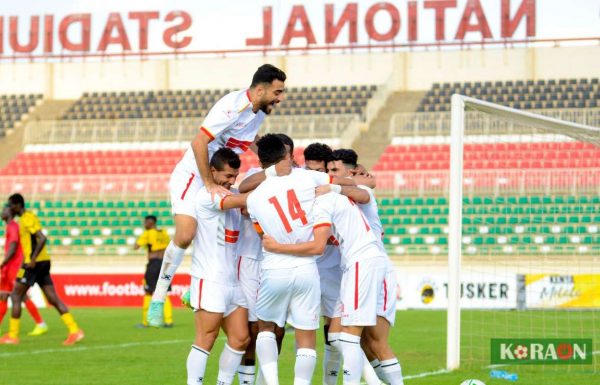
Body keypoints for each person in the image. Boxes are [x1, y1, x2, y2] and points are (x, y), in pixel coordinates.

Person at [148, 64, 287, 327]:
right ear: (260, 89)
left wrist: (276, 161)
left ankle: (197, 287)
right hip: (193, 175)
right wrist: (209, 183)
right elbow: (199, 142)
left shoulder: (256, 115)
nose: (280, 98)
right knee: (186, 234)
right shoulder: (231, 106)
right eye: (277, 92)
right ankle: (158, 298)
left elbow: (248, 140)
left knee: (226, 234)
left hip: (216, 178)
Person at [246, 134, 360, 385]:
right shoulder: (307, 177)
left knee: (266, 327)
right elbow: (339, 181)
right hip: (307, 269)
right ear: (287, 156)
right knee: (306, 338)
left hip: (274, 267)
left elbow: (261, 235)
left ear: (261, 160)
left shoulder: (254, 198)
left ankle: (272, 382)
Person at [262, 184, 404, 385]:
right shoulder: (339, 196)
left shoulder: (324, 201)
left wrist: (277, 246)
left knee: (349, 338)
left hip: (360, 263)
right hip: (363, 262)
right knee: (353, 338)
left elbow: (317, 246)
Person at [327, 149, 404, 385]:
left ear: (351, 172)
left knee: (375, 341)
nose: (329, 175)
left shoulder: (361, 190)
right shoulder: (348, 192)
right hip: (359, 268)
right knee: (350, 339)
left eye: (334, 170)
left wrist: (331, 183)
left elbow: (365, 185)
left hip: (375, 269)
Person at [185, 148, 250, 385]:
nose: (232, 182)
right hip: (209, 279)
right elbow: (240, 199)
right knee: (207, 338)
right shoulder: (207, 195)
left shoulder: (230, 196)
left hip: (233, 281)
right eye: (228, 176)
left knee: (241, 338)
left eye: (235, 177)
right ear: (212, 171)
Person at [236, 133, 294, 385]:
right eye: (284, 155)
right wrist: (273, 174)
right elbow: (243, 196)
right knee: (250, 329)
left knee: (277, 327)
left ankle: (264, 380)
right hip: (250, 257)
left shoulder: (297, 178)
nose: (288, 160)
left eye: (290, 155)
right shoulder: (254, 173)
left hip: (281, 257)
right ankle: (248, 381)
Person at [0, 193, 84, 345]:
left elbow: (42, 237)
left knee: (16, 296)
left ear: (17, 205)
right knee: (52, 298)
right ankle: (74, 330)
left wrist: (32, 259)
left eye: (10, 205)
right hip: (43, 262)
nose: (9, 208)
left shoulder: (26, 219)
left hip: (33, 264)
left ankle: (13, 336)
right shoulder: (28, 217)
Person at [0, 205, 47, 337]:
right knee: (3, 295)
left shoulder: (13, 226)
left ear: (10, 212)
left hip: (14, 266)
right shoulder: (10, 226)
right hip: (8, 267)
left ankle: (40, 323)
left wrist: (3, 262)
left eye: (4, 209)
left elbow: (14, 246)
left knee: (21, 296)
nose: (1, 212)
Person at [134, 215, 173, 328]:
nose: (144, 225)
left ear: (150, 223)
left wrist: (142, 239)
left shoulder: (147, 233)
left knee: (148, 292)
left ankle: (146, 322)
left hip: (153, 265)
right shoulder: (164, 233)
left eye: (145, 223)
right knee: (164, 292)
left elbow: (136, 246)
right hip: (164, 264)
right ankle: (169, 320)